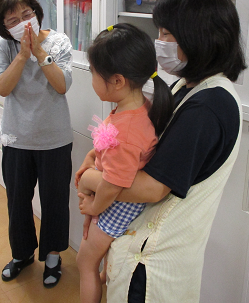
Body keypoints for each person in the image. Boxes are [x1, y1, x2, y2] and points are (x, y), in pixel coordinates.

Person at [76, 0, 247, 302]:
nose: (159, 42)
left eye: (167, 34)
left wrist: (88, 177)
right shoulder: (189, 86)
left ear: (198, 37)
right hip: (138, 245)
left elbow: (154, 187)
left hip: (151, 267)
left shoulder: (208, 108)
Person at [75, 23, 174, 303]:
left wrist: (94, 206)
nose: (91, 78)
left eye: (94, 73)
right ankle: (105, 281)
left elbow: (114, 183)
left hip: (116, 206)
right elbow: (108, 158)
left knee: (85, 263)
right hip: (113, 199)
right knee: (98, 264)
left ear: (117, 81)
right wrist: (90, 159)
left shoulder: (127, 133)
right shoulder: (135, 107)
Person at [0, 0, 73, 288]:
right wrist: (22, 56)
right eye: (13, 21)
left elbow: (62, 85)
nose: (23, 23)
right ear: (2, 27)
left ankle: (52, 256)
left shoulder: (59, 41)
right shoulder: (4, 47)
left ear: (36, 12)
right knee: (18, 202)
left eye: (27, 14)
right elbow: (2, 87)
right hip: (16, 138)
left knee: (54, 201)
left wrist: (38, 52)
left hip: (55, 139)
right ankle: (22, 254)